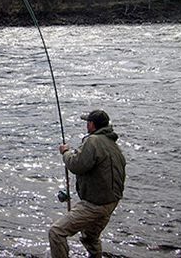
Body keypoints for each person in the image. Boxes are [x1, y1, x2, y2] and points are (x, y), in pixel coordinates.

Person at [49, 110, 126, 258]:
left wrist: (65, 153)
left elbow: (77, 165)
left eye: (87, 122)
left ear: (92, 124)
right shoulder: (114, 146)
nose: (86, 125)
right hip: (110, 203)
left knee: (56, 232)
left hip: (95, 205)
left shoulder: (93, 141)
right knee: (90, 238)